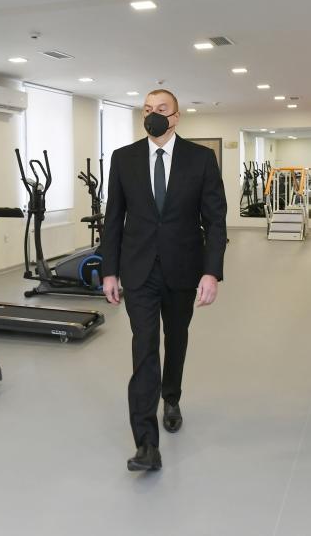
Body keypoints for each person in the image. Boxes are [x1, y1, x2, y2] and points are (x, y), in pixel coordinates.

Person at [101, 89, 227, 472]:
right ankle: (146, 444)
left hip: (182, 268)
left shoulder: (200, 159)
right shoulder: (124, 158)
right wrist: (109, 270)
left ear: (176, 116)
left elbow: (215, 220)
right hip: (138, 270)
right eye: (147, 109)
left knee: (176, 338)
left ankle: (171, 397)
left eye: (161, 109)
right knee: (144, 348)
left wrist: (211, 271)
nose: (153, 115)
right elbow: (113, 218)